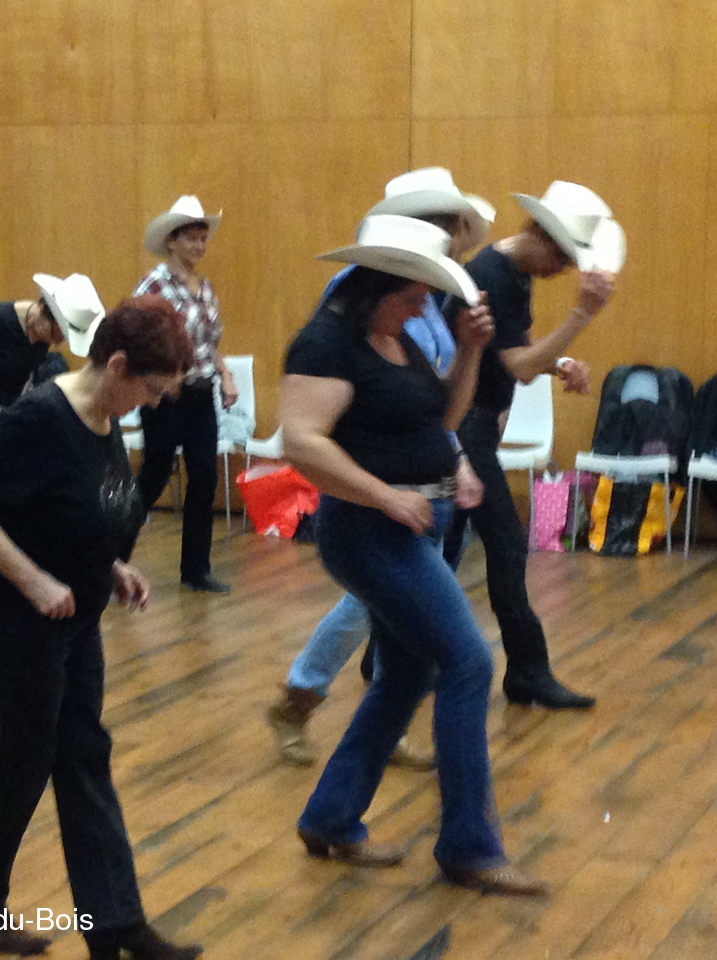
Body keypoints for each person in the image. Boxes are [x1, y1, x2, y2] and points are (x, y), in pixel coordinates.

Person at [283, 213, 547, 896]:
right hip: (369, 529)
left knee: (408, 674)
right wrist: (383, 496)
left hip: (413, 521)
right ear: (379, 284)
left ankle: (331, 817)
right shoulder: (326, 343)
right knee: (468, 662)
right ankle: (468, 847)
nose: (422, 306)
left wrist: (469, 352)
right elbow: (301, 442)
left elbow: (443, 420)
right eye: (413, 294)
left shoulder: (394, 337)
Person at [0, 294, 203, 960]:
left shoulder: (102, 415)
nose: (152, 404)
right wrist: (32, 579)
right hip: (19, 618)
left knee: (84, 755)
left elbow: (74, 506)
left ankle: (115, 923)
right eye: (150, 389)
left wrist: (112, 566)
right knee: (24, 759)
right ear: (117, 366)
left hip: (76, 613)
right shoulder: (40, 417)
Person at [266, 168, 493, 767]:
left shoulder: (423, 302)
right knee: (404, 628)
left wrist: (455, 456)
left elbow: (425, 406)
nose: (456, 238)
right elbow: (326, 420)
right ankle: (301, 697)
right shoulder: (358, 307)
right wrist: (385, 493)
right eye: (449, 227)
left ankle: (364, 743)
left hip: (421, 501)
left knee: (400, 639)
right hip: (375, 508)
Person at [442, 181, 623, 710]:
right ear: (539, 233)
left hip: (474, 427)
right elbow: (520, 367)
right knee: (505, 544)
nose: (562, 270)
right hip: (465, 428)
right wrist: (581, 316)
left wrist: (560, 362)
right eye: (561, 257)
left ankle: (385, 658)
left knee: (439, 550)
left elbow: (515, 350)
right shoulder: (490, 276)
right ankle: (527, 671)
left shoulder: (513, 274)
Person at [0, 273, 93, 640]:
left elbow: (22, 382)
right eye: (57, 331)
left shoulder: (39, 339)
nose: (57, 342)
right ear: (43, 312)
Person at [132, 195, 236, 594]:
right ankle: (111, 559)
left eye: (203, 238)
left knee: (204, 478)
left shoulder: (204, 287)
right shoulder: (154, 285)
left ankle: (196, 569)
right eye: (191, 238)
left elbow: (209, 344)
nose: (199, 245)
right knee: (154, 477)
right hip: (166, 397)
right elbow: (134, 337)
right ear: (172, 241)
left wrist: (226, 375)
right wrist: (163, 380)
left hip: (201, 393)